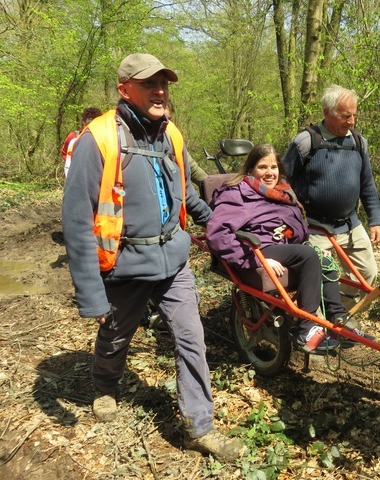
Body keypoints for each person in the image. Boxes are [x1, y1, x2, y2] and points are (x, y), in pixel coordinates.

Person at [62, 53, 245, 462]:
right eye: (150, 84)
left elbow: (186, 193)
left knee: (190, 339)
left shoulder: (172, 135)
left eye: (164, 84)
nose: (160, 91)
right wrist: (90, 294)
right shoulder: (100, 138)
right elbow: (76, 220)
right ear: (125, 89)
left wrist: (217, 221)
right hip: (125, 266)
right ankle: (105, 386)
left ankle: (200, 427)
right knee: (116, 337)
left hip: (173, 260)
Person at [206, 143, 371, 352]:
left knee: (324, 261)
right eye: (262, 167)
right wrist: (259, 260)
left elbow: (296, 229)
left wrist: (309, 244)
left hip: (287, 249)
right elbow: (218, 234)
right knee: (308, 255)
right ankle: (306, 329)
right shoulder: (237, 194)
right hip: (257, 249)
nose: (269, 173)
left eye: (273, 167)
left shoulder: (282, 193)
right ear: (250, 169)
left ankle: (338, 320)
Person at [282, 85, 380, 319]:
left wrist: (375, 219)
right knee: (318, 280)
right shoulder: (305, 143)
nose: (352, 121)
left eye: (354, 115)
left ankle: (338, 317)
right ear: (327, 112)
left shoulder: (358, 143)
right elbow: (283, 183)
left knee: (367, 275)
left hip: (351, 225)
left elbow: (367, 184)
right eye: (345, 115)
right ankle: (316, 330)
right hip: (316, 227)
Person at [165, 99, 209, 186]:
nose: (166, 124)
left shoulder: (174, 138)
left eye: (168, 119)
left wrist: (214, 186)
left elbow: (193, 170)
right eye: (161, 119)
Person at [61, 106, 102, 177]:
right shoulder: (73, 137)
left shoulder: (104, 139)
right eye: (88, 124)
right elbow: (65, 153)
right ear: (83, 123)